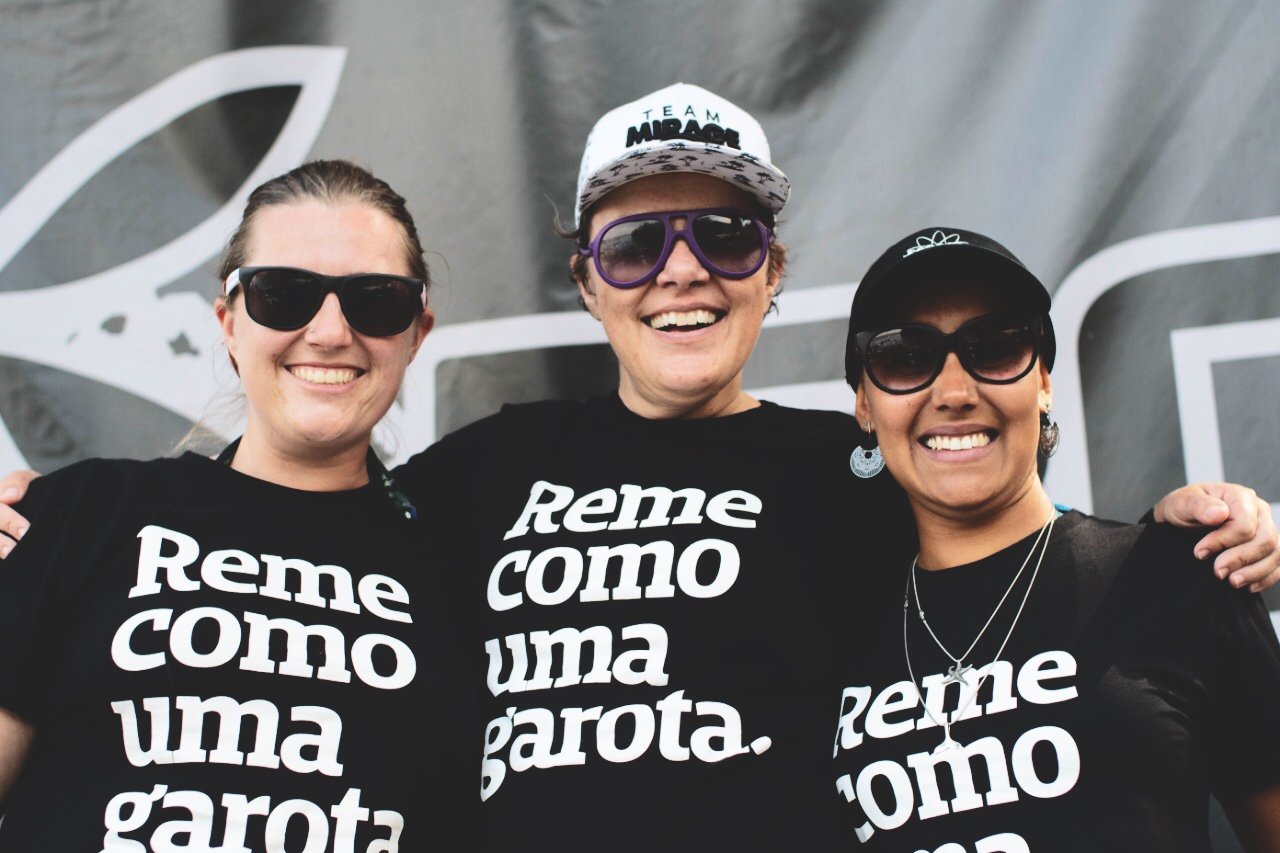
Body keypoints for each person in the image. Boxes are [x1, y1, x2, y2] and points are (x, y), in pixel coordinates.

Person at [0, 86, 1276, 850]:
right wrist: (41, 526)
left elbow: (993, 488)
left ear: (770, 271)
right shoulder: (477, 475)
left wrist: (1194, 522)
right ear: (584, 279)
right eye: (634, 244)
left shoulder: (849, 465)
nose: (679, 270)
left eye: (722, 237)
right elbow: (290, 528)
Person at [0, 160, 467, 851]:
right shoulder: (82, 516)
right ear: (228, 320)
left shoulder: (464, 574)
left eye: (375, 299)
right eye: (284, 294)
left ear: (416, 331)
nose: (331, 332)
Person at [832, 226, 1280, 851]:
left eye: (993, 347)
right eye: (904, 356)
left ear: (1043, 380)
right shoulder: (826, 635)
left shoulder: (1182, 575)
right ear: (864, 404)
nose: (955, 393)